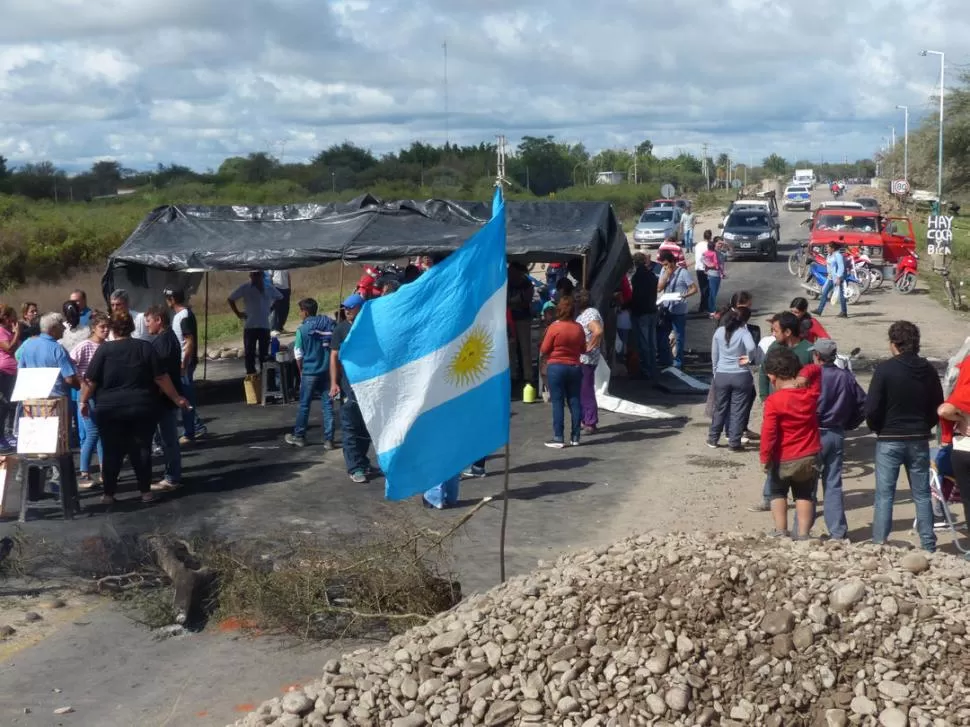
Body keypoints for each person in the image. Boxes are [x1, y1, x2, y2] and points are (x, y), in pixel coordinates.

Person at [81, 313, 188, 505]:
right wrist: (176, 397)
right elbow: (161, 378)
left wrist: (83, 401)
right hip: (142, 406)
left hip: (110, 408)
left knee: (112, 451)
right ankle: (145, 492)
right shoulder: (145, 347)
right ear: (132, 327)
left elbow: (90, 380)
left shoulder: (104, 350)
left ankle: (108, 494)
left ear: (113, 329)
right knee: (142, 449)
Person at [865, 321, 943, 552]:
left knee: (884, 495)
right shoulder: (928, 369)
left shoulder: (885, 370)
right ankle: (928, 545)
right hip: (919, 437)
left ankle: (880, 542)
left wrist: (877, 428)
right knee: (921, 494)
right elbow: (937, 405)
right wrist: (925, 425)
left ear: (894, 343)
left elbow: (872, 408)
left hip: (889, 438)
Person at [801, 338, 867, 540]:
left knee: (806, 484)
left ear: (817, 356)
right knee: (833, 483)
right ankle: (837, 532)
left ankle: (801, 529)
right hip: (835, 433)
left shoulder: (810, 376)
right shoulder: (845, 377)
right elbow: (863, 404)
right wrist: (849, 424)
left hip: (811, 433)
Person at [750, 311, 814, 512]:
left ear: (788, 331)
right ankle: (770, 496)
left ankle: (802, 497)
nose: (772, 333)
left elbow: (814, 379)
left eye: (776, 330)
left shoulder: (807, 351)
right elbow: (763, 371)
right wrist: (763, 397)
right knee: (773, 451)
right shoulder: (774, 347)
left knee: (797, 453)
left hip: (798, 412)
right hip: (774, 407)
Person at [760, 346, 822, 539]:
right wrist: (804, 375)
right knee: (804, 494)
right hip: (809, 453)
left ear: (772, 377)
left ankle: (781, 531)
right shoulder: (810, 394)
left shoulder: (774, 401)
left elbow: (768, 432)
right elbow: (818, 370)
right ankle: (803, 534)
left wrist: (765, 457)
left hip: (783, 456)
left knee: (778, 492)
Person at [330, 294, 374, 484]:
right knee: (350, 429)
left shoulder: (369, 328)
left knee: (366, 428)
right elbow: (333, 357)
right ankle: (354, 467)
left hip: (368, 387)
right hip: (349, 387)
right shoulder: (340, 329)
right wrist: (334, 382)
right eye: (345, 307)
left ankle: (362, 461)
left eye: (351, 307)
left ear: (360, 308)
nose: (347, 310)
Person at [285, 298, 337, 449]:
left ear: (305, 312)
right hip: (326, 370)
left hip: (310, 371)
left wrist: (301, 371)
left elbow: (298, 354)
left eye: (300, 311)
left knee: (304, 405)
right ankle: (329, 439)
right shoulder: (328, 324)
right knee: (327, 405)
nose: (299, 314)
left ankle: (299, 435)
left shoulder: (302, 330)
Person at [145, 307, 184, 492]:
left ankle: (172, 477)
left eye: (149, 321)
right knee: (167, 439)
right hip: (167, 395)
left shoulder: (163, 342)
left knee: (169, 439)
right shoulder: (167, 339)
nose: (146, 325)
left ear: (158, 320)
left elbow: (161, 373)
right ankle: (171, 475)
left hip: (165, 397)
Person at [708, 309, 757, 451]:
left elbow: (714, 355)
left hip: (722, 374)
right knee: (738, 410)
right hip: (741, 375)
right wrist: (749, 358)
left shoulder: (718, 332)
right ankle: (734, 442)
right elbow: (751, 347)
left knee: (719, 408)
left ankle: (713, 439)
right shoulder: (743, 332)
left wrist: (715, 372)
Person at [539, 296, 585, 448]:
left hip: (556, 367)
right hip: (575, 367)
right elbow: (583, 349)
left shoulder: (554, 327)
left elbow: (544, 349)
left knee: (558, 403)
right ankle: (576, 436)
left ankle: (559, 437)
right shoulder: (578, 328)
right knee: (575, 400)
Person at [70, 311, 109, 488]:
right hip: (87, 392)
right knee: (92, 432)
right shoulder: (85, 345)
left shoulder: (107, 346)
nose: (106, 330)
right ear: (94, 328)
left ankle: (104, 469)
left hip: (102, 393)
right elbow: (70, 363)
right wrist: (80, 380)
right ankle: (84, 472)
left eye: (108, 327)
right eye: (102, 327)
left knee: (102, 434)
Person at [164, 288, 206, 443]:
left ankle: (193, 429)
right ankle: (193, 427)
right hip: (182, 363)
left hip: (184, 364)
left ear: (172, 299)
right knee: (183, 395)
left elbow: (189, 342)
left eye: (167, 298)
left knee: (185, 396)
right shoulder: (180, 316)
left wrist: (183, 364)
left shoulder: (184, 316)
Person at [228, 271, 283, 375]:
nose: (255, 277)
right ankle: (251, 375)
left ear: (262, 276)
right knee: (249, 353)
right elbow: (231, 299)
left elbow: (280, 297)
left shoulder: (268, 287)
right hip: (250, 325)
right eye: (253, 275)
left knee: (264, 354)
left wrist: (271, 308)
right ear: (250, 276)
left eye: (257, 275)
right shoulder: (245, 287)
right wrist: (238, 313)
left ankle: (265, 375)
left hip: (264, 325)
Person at [937, 355, 970, 529]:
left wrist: (959, 419)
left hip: (963, 448)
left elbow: (943, 410)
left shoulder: (964, 392)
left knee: (968, 500)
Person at [17, 312, 79, 399]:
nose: (64, 327)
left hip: (32, 399)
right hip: (55, 400)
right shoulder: (57, 349)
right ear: (53, 329)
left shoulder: (28, 345)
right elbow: (69, 379)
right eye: (61, 324)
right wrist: (80, 386)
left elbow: (20, 371)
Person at [656, 250, 698, 370]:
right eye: (663, 265)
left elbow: (694, 289)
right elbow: (659, 288)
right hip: (666, 308)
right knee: (662, 335)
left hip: (679, 310)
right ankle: (665, 359)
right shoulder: (664, 271)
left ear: (673, 262)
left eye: (667, 264)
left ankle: (679, 361)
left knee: (679, 337)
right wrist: (667, 275)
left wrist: (684, 295)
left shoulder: (683, 273)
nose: (665, 267)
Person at [574, 290, 603, 435]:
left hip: (587, 358)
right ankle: (585, 419)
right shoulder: (588, 313)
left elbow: (597, 331)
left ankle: (590, 421)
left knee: (586, 390)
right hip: (585, 358)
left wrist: (588, 346)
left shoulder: (590, 314)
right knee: (582, 389)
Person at [630, 253, 658, 380]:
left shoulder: (637, 277)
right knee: (652, 342)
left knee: (644, 342)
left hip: (642, 313)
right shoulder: (651, 275)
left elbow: (636, 296)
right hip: (652, 310)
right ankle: (653, 367)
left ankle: (646, 368)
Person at [507, 263, 534, 384]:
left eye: (511, 270)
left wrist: (512, 302)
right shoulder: (507, 283)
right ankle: (513, 374)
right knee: (510, 348)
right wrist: (514, 301)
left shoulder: (526, 284)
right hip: (510, 318)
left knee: (525, 348)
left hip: (523, 318)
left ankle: (528, 375)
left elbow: (525, 300)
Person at [0, 306, 21, 450]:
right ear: (6, 318)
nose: (15, 320)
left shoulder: (8, 331)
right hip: (4, 371)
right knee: (3, 404)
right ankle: (1, 436)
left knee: (9, 405)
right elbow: (9, 348)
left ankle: (5, 434)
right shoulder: (1, 331)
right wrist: (17, 333)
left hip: (13, 371)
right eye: (13, 317)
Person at [814, 242, 848, 319]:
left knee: (841, 295)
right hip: (831, 278)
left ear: (833, 248)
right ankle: (819, 310)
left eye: (828, 247)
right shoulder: (830, 255)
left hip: (838, 278)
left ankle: (844, 312)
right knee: (824, 293)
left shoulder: (838, 255)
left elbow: (841, 267)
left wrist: (839, 278)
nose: (827, 249)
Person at [701, 242, 725, 314]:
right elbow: (716, 263)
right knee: (713, 293)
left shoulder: (705, 253)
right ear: (714, 246)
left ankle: (711, 308)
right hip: (715, 274)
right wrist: (718, 269)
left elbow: (702, 259)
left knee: (712, 292)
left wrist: (707, 265)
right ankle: (711, 309)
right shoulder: (714, 253)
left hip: (710, 273)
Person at [693, 230, 712, 314]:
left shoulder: (698, 245)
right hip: (705, 269)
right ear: (710, 236)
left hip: (698, 268)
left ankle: (703, 306)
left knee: (703, 288)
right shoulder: (709, 245)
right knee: (707, 288)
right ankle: (705, 306)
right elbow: (707, 257)